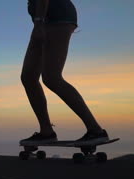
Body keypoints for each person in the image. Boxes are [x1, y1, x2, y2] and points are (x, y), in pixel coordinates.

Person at [20, 0, 109, 145]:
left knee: (52, 78)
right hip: (44, 19)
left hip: (57, 17)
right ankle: (46, 132)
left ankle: (96, 130)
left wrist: (38, 23)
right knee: (28, 77)